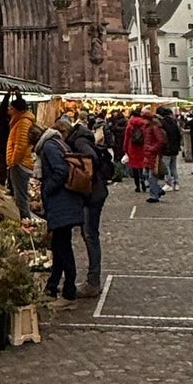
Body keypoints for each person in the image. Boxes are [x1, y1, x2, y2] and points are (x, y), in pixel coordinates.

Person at [36, 115, 86, 305]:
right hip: (66, 202)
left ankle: (69, 291)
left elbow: (61, 171)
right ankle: (52, 285)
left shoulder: (49, 147)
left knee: (63, 247)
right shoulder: (58, 143)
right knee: (58, 245)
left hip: (61, 203)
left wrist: (47, 188)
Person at [68, 117, 110, 297]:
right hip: (96, 192)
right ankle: (93, 279)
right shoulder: (82, 137)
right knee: (89, 234)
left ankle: (93, 282)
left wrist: (82, 175)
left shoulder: (78, 141)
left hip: (93, 194)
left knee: (90, 235)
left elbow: (90, 158)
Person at [125, 105, 167, 201]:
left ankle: (154, 196)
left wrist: (152, 148)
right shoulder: (148, 126)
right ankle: (158, 190)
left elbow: (161, 140)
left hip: (153, 154)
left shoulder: (153, 127)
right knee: (146, 174)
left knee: (151, 176)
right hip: (148, 154)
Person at [6, 94, 37, 217]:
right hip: (20, 163)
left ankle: (26, 223)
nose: (9, 110)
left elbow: (21, 144)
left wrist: (13, 162)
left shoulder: (23, 122)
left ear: (16, 110)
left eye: (11, 108)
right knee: (20, 195)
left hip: (20, 164)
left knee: (21, 197)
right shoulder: (19, 121)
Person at [158, 106, 183, 189]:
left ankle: (168, 184)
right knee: (173, 167)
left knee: (166, 166)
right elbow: (179, 135)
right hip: (175, 148)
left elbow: (162, 136)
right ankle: (176, 183)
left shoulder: (162, 123)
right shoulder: (174, 122)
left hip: (166, 148)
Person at [0, 92, 12, 182]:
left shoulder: (0, 119)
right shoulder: (4, 119)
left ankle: (3, 186)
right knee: (6, 170)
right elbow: (2, 110)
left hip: (2, 147)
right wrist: (7, 96)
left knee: (2, 170)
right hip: (5, 147)